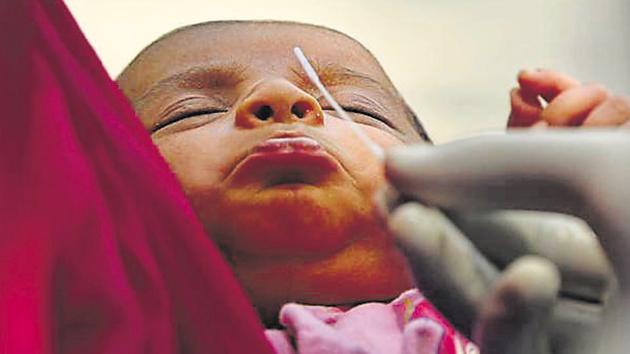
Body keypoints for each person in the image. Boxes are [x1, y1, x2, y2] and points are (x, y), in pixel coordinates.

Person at [116, 20, 630, 353]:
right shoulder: (73, 326)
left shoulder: (520, 323)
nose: (280, 98)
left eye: (360, 109)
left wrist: (553, 215)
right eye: (192, 112)